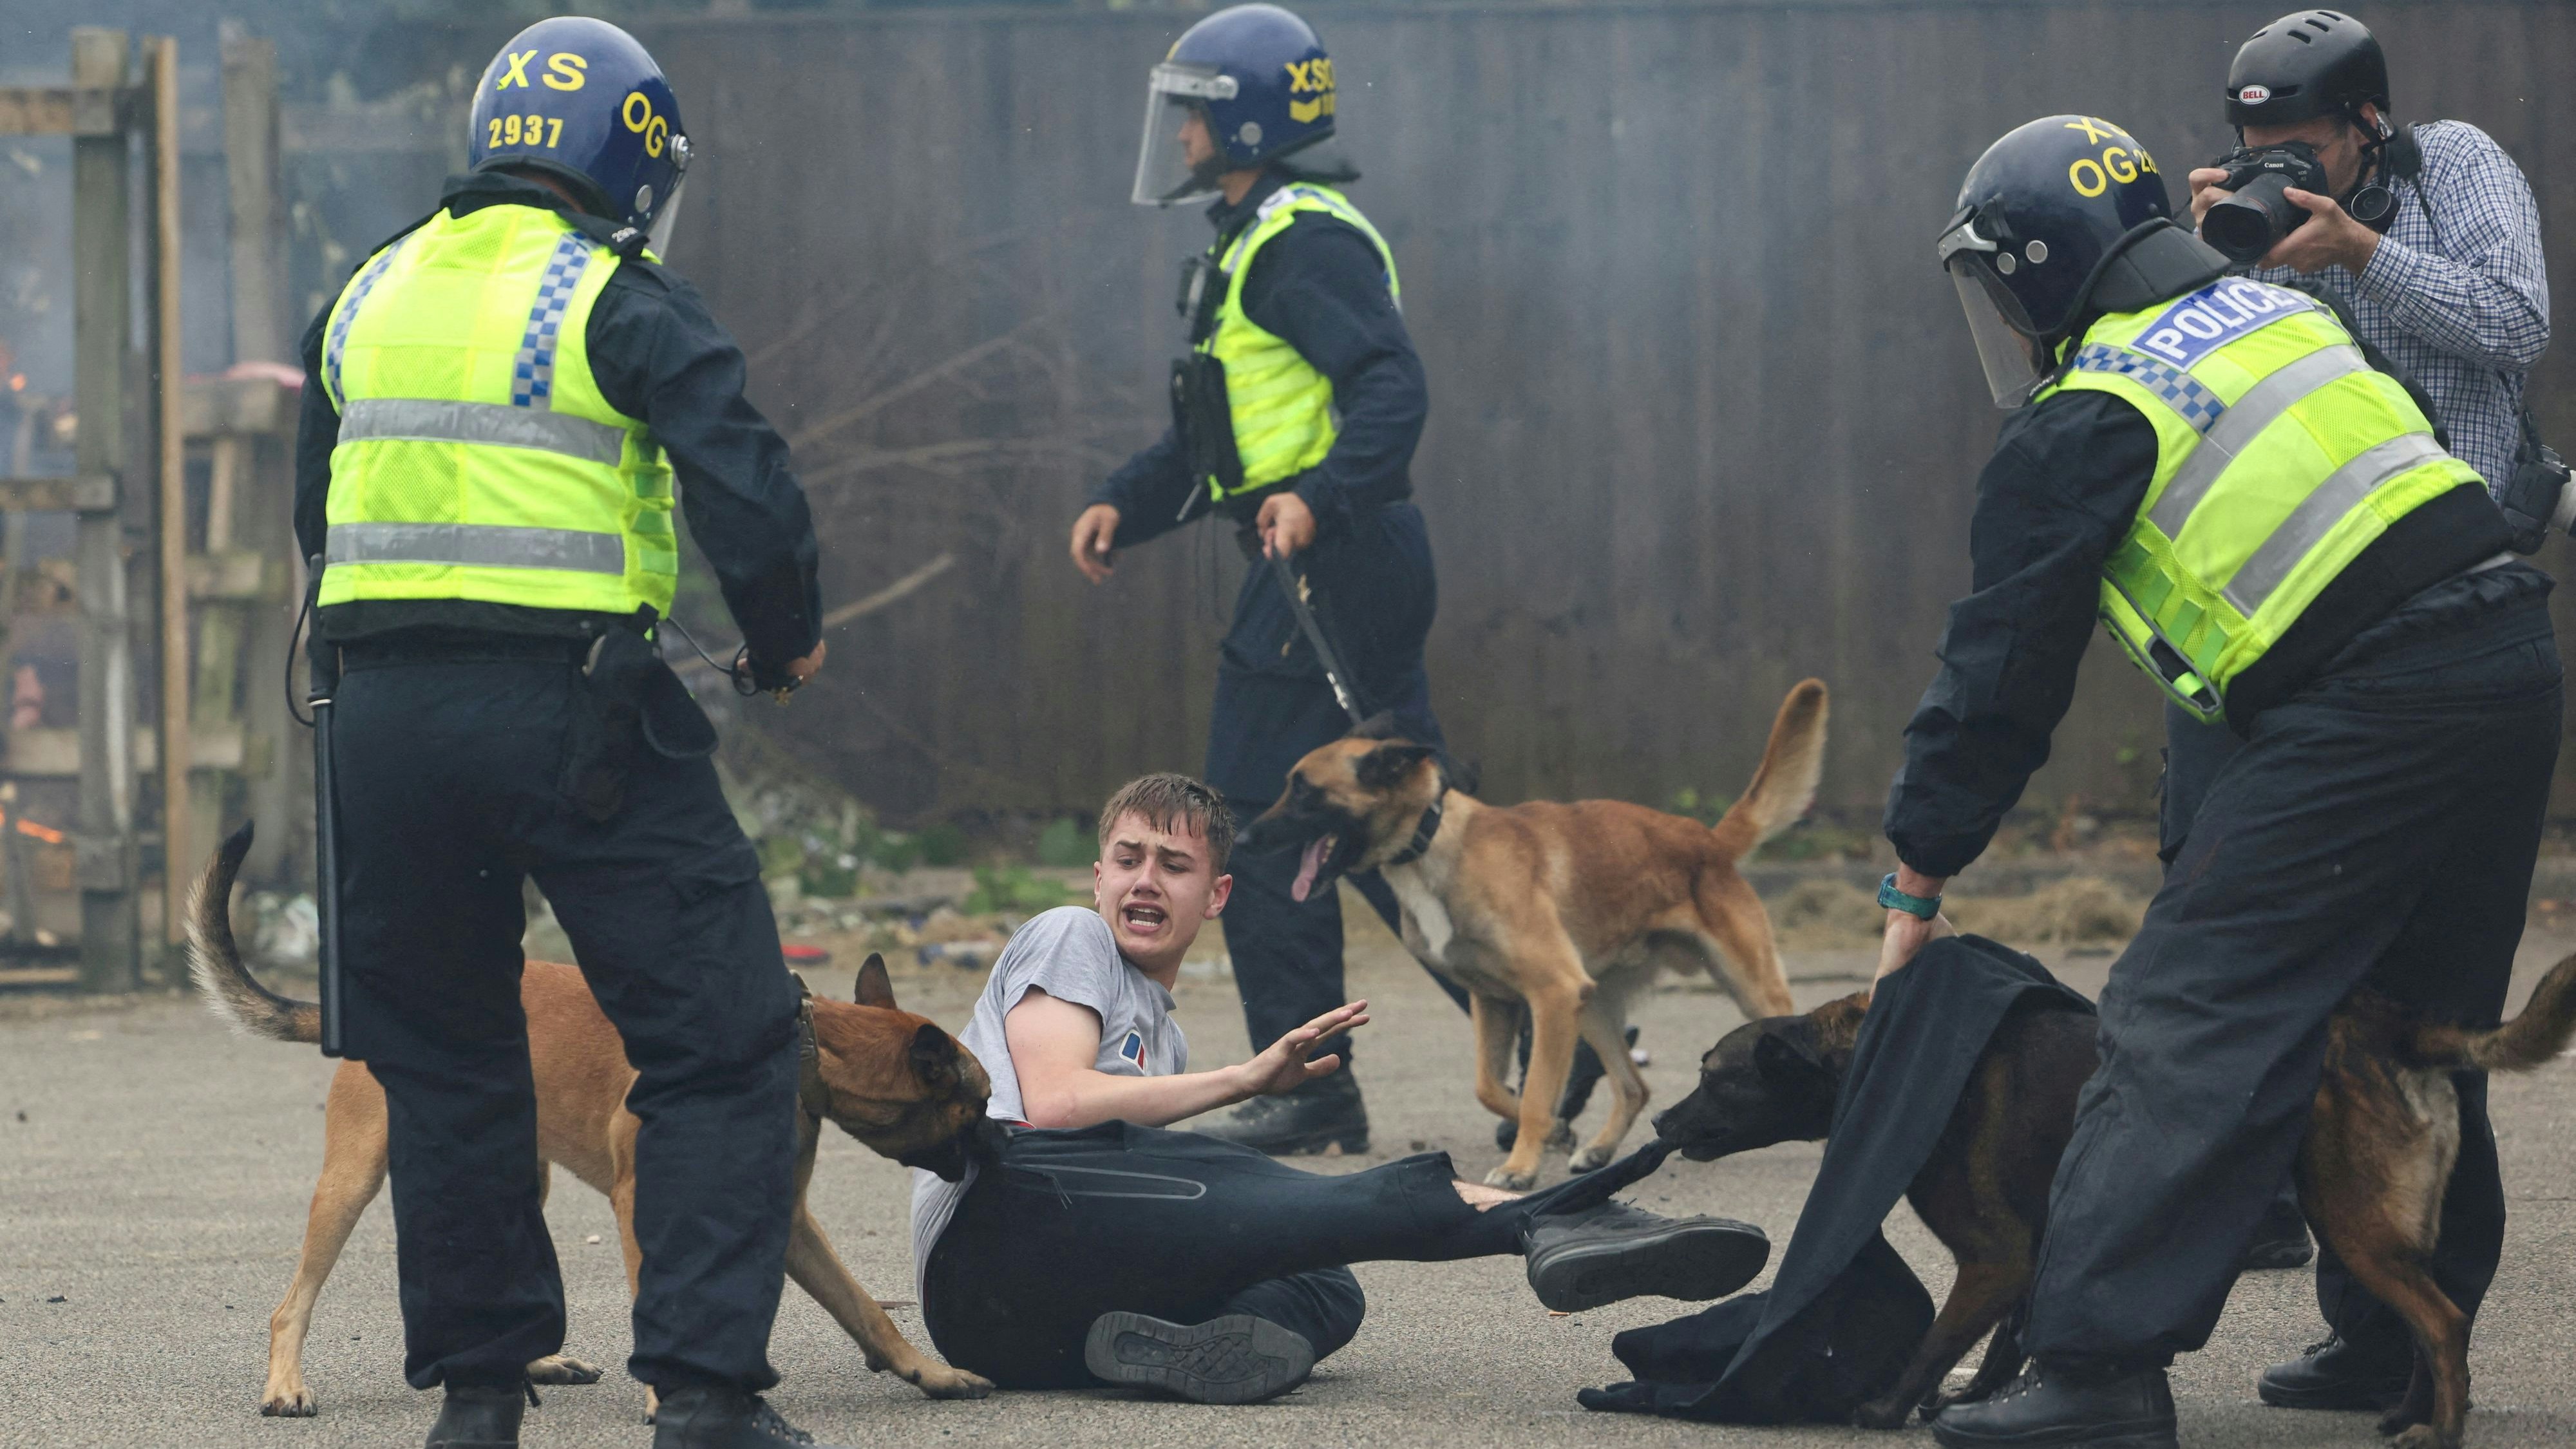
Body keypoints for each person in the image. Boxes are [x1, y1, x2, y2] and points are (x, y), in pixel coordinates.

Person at [1877, 115, 2557, 1449]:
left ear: (2028, 273)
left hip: (2371, 698)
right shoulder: (2273, 316)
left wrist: (1916, 870)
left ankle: (2092, 1375)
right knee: (2406, 1023)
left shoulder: (2086, 412)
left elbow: (1998, 673)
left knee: (2181, 1019)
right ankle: (2389, 1348)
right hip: (2509, 660)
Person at [293, 18, 837, 1449]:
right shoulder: (618, 296)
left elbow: (320, 518)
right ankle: (705, 1394)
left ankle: (478, 1399)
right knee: (724, 1039)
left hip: (383, 724)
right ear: (631, 160)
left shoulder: (362, 293)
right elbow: (750, 496)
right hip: (576, 713)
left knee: (448, 1054)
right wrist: (781, 641)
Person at [909, 772, 1770, 1402]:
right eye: (1127, 858)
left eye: (1173, 864)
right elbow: (1053, 1104)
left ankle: (1160, 1357)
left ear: (1216, 895)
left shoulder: (1161, 1033)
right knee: (1268, 1186)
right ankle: (1561, 1218)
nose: (1143, 879)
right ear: (1097, 878)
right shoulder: (1070, 936)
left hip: (1025, 1334)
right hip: (997, 1226)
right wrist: (1246, 1079)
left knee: (1326, 1283)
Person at [1069, 2, 1526, 1157]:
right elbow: (1218, 443)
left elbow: (1391, 389)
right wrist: (1128, 502)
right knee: (1405, 829)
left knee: (1261, 825)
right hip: (1335, 558)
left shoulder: (1299, 242)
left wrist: (1319, 494)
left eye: (1198, 115)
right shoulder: (1248, 239)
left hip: (1332, 560)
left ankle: (1312, 1085)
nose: (1177, 135)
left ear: (1255, 125)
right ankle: (1544, 1049)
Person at [2178, 6, 2553, 1319]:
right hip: (2333, 635)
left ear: (2364, 127)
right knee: (2323, 973)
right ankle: (2350, 1287)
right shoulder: (2259, 236)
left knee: (2436, 993)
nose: (2281, 169)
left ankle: (2410, 1315)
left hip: (2473, 601)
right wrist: (2209, 254)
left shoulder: (2453, 170)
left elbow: (2513, 325)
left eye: (2300, 147)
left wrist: (2360, 252)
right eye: (2253, 148)